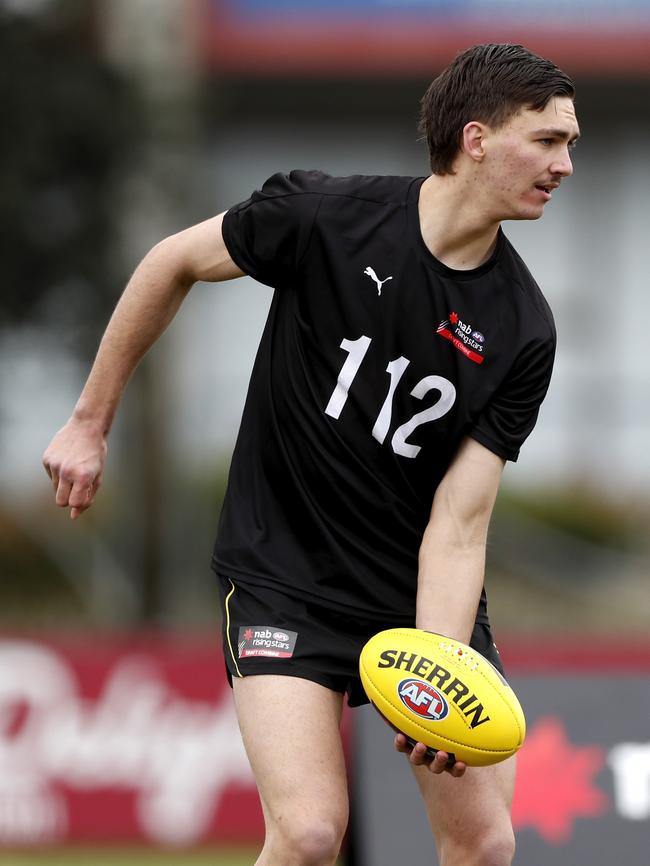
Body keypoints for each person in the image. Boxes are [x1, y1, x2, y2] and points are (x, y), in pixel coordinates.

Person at [43, 43, 579, 866]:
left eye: (570, 143)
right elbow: (172, 260)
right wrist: (89, 422)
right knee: (308, 834)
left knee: (484, 846)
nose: (565, 164)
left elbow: (460, 521)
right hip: (282, 578)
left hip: (413, 595)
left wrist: (434, 671)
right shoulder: (326, 215)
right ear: (476, 139)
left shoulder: (523, 330)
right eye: (547, 141)